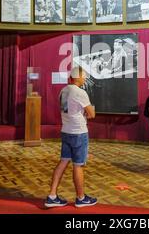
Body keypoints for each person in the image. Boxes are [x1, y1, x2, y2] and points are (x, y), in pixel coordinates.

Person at [45, 67, 97, 208]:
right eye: (83, 76)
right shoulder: (80, 92)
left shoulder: (64, 91)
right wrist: (89, 109)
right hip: (79, 132)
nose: (85, 78)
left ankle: (52, 196)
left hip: (66, 131)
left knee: (63, 162)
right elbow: (92, 114)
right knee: (78, 165)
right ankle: (81, 198)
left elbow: (69, 110)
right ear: (77, 77)